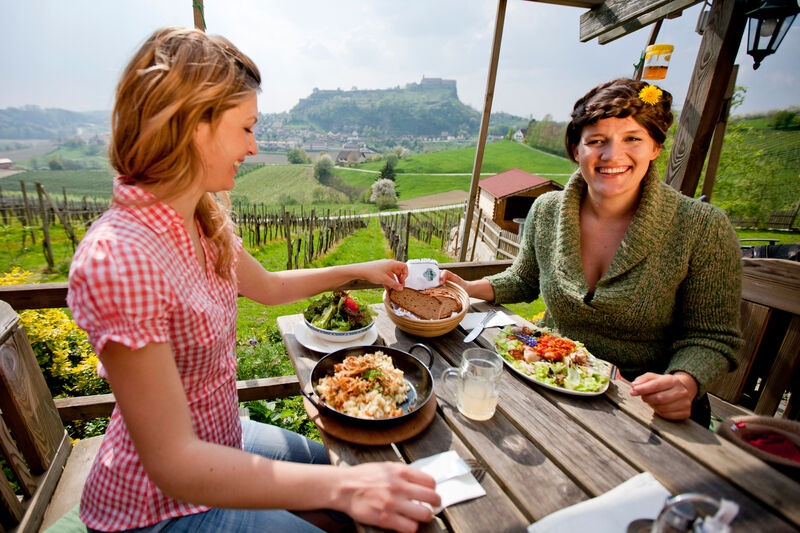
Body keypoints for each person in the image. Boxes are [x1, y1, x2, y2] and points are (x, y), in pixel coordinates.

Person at [66, 27, 440, 533]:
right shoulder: (120, 259)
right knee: (349, 493)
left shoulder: (200, 219)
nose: (254, 145)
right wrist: (346, 490)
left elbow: (269, 287)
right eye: (245, 128)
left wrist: (358, 270)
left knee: (355, 471)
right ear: (194, 124)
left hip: (221, 438)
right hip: (158, 506)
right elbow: (174, 464)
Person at [443, 78, 742, 426]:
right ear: (576, 150)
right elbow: (524, 279)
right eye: (596, 141)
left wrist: (684, 381)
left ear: (656, 147)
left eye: (632, 139)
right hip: (547, 379)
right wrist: (467, 287)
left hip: (644, 408)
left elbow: (711, 337)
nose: (612, 155)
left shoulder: (702, 227)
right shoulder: (547, 210)